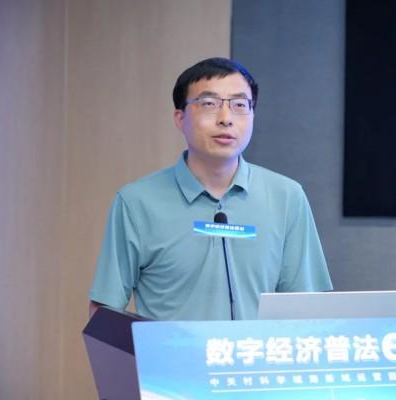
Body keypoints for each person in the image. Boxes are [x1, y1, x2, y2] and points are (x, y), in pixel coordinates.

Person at [89, 57, 332, 320]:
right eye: (209, 104)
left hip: (258, 349)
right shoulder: (136, 202)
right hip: (173, 349)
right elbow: (103, 312)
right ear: (180, 118)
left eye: (239, 105)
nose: (226, 119)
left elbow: (307, 308)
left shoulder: (287, 197)